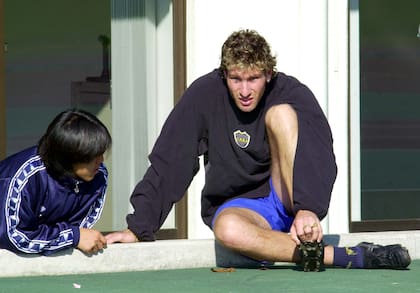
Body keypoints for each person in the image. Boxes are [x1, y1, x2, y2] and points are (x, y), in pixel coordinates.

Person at [105, 29, 411, 270]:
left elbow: (319, 150)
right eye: (236, 79)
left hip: (287, 196)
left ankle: (296, 232)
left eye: (253, 78)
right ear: (224, 74)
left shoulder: (290, 91)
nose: (245, 90)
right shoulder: (204, 94)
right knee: (226, 230)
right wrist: (139, 227)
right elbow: (171, 160)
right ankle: (339, 256)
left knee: (281, 114)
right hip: (243, 210)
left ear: (268, 73)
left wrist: (309, 207)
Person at [0, 109, 111, 255]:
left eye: (101, 152)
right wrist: (73, 236)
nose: (101, 160)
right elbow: (14, 237)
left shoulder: (98, 176)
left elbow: (81, 231)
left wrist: (74, 236)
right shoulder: (23, 178)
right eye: (92, 155)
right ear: (68, 155)